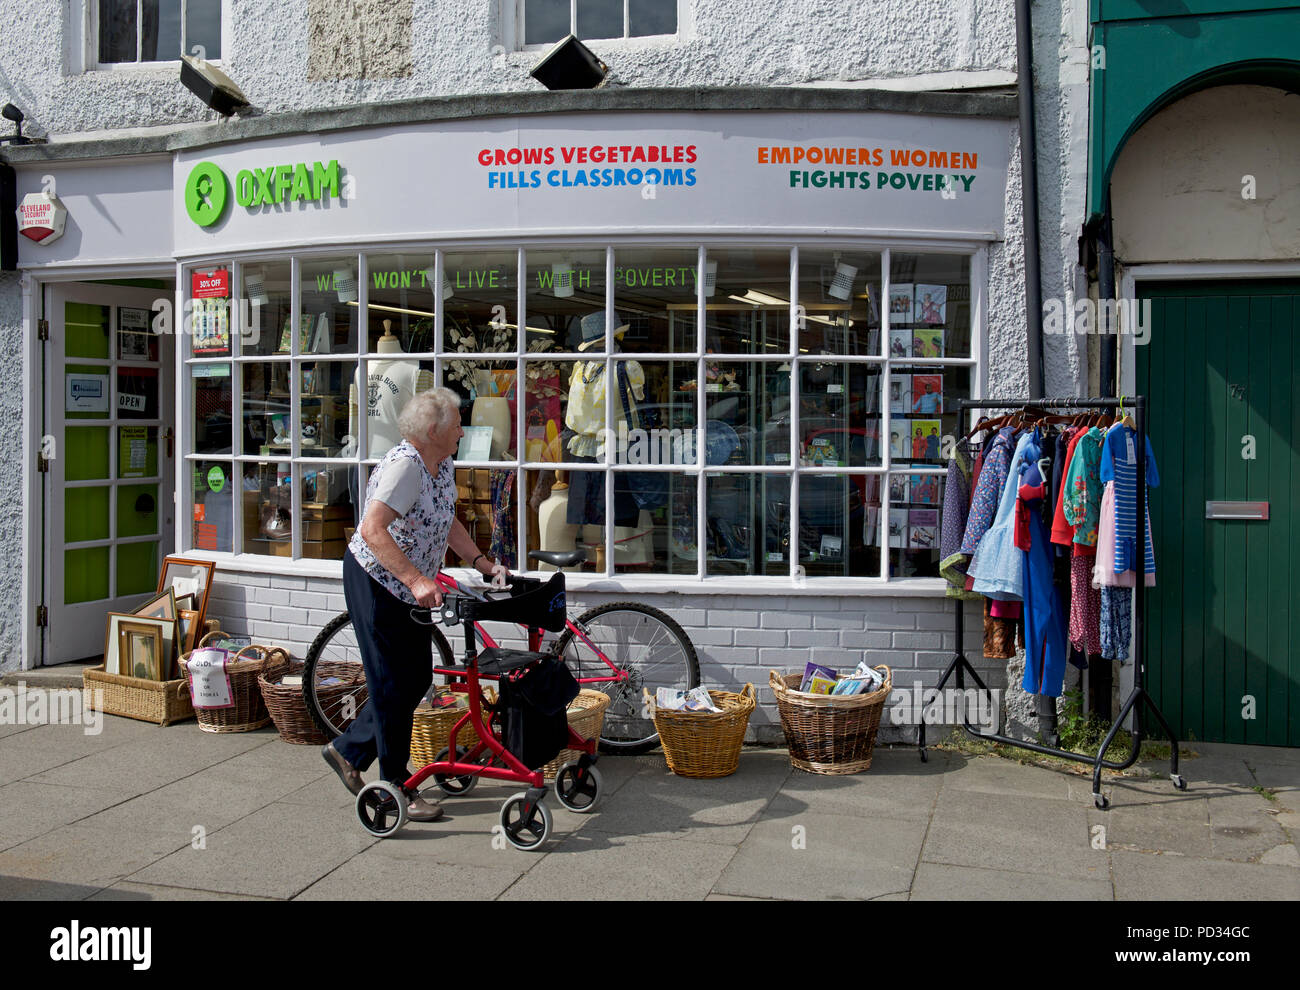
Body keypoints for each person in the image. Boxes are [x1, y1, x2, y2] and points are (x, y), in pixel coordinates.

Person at [322, 388, 509, 822]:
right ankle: (395, 790)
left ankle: (348, 751)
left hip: (409, 585)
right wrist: (416, 580)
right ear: (433, 430)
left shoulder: (441, 464)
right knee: (391, 685)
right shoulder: (405, 467)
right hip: (377, 580)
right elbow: (372, 529)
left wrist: (480, 562)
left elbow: (446, 522)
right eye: (458, 424)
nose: (463, 430)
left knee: (415, 677)